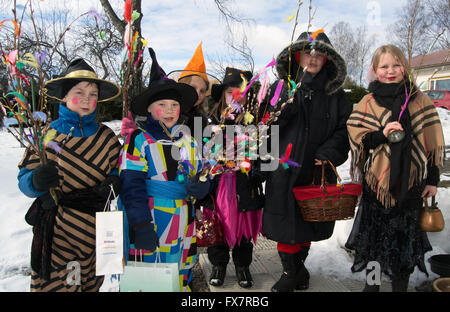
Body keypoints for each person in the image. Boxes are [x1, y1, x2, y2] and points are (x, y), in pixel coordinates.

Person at [345, 44, 445, 292]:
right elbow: (361, 138)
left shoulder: (420, 100)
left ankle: (400, 286)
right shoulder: (368, 102)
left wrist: (432, 180)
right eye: (384, 66)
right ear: (375, 70)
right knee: (375, 245)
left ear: (405, 67)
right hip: (377, 186)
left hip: (411, 187)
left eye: (396, 65)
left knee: (403, 244)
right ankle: (372, 287)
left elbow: (432, 145)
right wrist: (383, 133)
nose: (390, 71)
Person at [17, 58, 122, 292]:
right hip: (58, 230)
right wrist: (35, 181)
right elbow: (24, 180)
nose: (87, 99)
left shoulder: (107, 138)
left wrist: (115, 181)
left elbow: (119, 169)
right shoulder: (47, 134)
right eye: (79, 92)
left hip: (95, 228)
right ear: (64, 97)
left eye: (93, 94)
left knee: (90, 283)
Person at [262, 31, 351, 292]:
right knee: (284, 223)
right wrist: (279, 113)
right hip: (283, 169)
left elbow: (344, 130)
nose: (313, 58)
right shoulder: (282, 88)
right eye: (308, 53)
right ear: (297, 56)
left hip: (316, 170)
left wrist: (328, 153)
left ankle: (297, 270)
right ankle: (292, 272)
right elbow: (264, 128)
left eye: (319, 54)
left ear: (328, 59)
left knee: (308, 222)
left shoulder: (336, 96)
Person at [118, 48, 211, 292]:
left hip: (184, 223)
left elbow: (202, 173)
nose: (169, 110)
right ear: (148, 109)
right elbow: (131, 185)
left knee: (180, 275)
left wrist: (203, 186)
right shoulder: (140, 139)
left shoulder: (188, 140)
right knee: (152, 280)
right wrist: (140, 225)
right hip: (153, 221)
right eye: (162, 104)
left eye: (174, 105)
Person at [203, 67, 264, 288]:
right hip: (218, 186)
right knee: (216, 226)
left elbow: (264, 153)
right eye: (230, 92)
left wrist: (254, 166)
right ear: (223, 94)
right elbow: (204, 153)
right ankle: (218, 264)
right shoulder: (210, 121)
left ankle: (242, 265)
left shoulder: (254, 121)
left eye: (240, 91)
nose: (235, 96)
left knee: (243, 228)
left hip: (244, 184)